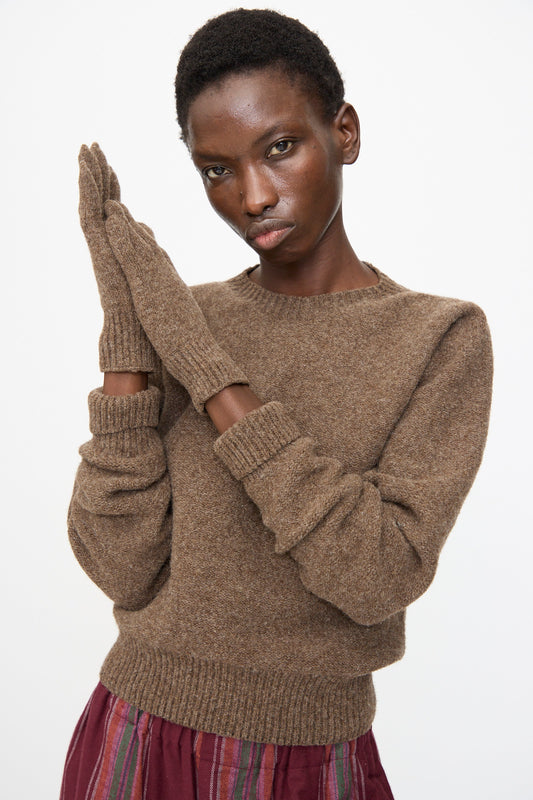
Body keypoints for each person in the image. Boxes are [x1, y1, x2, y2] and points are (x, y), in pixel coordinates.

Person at [59, 8, 494, 800]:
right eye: (216, 169)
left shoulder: (440, 337)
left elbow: (378, 575)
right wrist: (127, 333)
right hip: (130, 734)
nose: (252, 194)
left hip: (303, 758)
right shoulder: (175, 313)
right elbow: (120, 568)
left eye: (280, 148)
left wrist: (208, 370)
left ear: (345, 133)